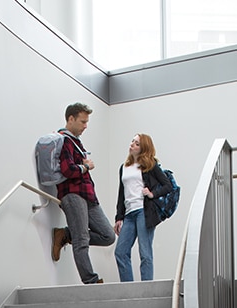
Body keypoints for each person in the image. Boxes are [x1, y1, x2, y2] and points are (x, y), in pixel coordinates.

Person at [51, 102, 115, 284]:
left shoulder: (75, 141)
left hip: (88, 195)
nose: (86, 126)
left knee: (108, 236)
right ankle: (91, 282)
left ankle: (65, 234)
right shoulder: (63, 140)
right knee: (82, 239)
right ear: (70, 119)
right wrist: (86, 166)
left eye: (86, 122)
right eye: (82, 121)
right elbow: (67, 170)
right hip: (72, 194)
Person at [113, 133, 173, 282]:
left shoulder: (150, 165)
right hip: (129, 214)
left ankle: (147, 288)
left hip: (143, 212)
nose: (132, 144)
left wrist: (152, 193)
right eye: (132, 141)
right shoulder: (124, 167)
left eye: (137, 143)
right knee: (120, 252)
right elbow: (121, 193)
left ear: (144, 148)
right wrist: (119, 217)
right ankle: (128, 289)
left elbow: (168, 185)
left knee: (145, 252)